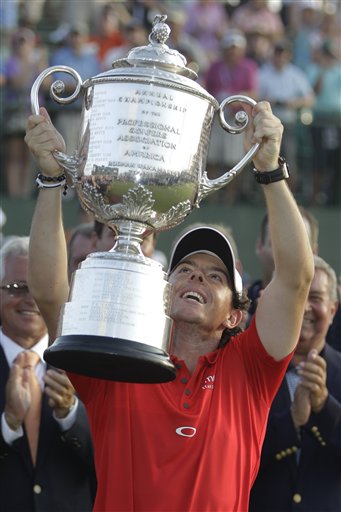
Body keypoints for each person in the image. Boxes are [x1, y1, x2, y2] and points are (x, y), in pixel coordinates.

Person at [25, 101, 314, 511]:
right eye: (185, 269)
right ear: (164, 293)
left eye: (216, 276)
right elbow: (50, 294)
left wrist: (269, 171)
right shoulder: (118, 360)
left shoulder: (252, 368)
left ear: (235, 315)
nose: (197, 276)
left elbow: (295, 277)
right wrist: (52, 181)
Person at [0, 237, 96, 511]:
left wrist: (70, 415)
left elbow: (113, 460)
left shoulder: (84, 361)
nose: (31, 299)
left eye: (43, 289)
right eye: (17, 287)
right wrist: (8, 424)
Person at [249, 255, 341, 512]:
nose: (305, 307)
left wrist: (324, 406)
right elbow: (233, 455)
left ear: (333, 310)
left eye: (316, 298)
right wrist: (291, 421)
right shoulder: (251, 370)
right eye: (298, 295)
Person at [248, 205, 319, 321]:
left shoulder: (329, 321)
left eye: (298, 247)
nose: (287, 256)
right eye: (277, 245)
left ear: (314, 253)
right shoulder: (234, 310)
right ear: (259, 246)